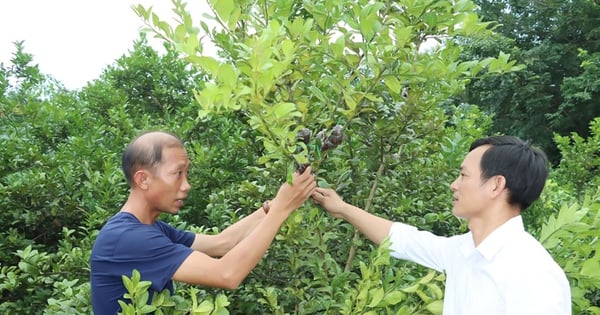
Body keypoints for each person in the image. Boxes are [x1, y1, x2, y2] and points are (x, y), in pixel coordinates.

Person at [312, 135, 571, 314]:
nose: (454, 185)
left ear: (495, 185)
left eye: (463, 175)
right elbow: (401, 239)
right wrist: (343, 209)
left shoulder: (532, 271)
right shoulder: (465, 250)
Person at [90, 131, 316, 315]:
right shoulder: (128, 239)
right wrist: (282, 208)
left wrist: (275, 204)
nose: (186, 185)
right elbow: (227, 274)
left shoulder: (149, 228)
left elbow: (222, 244)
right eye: (178, 173)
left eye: (186, 173)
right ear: (143, 179)